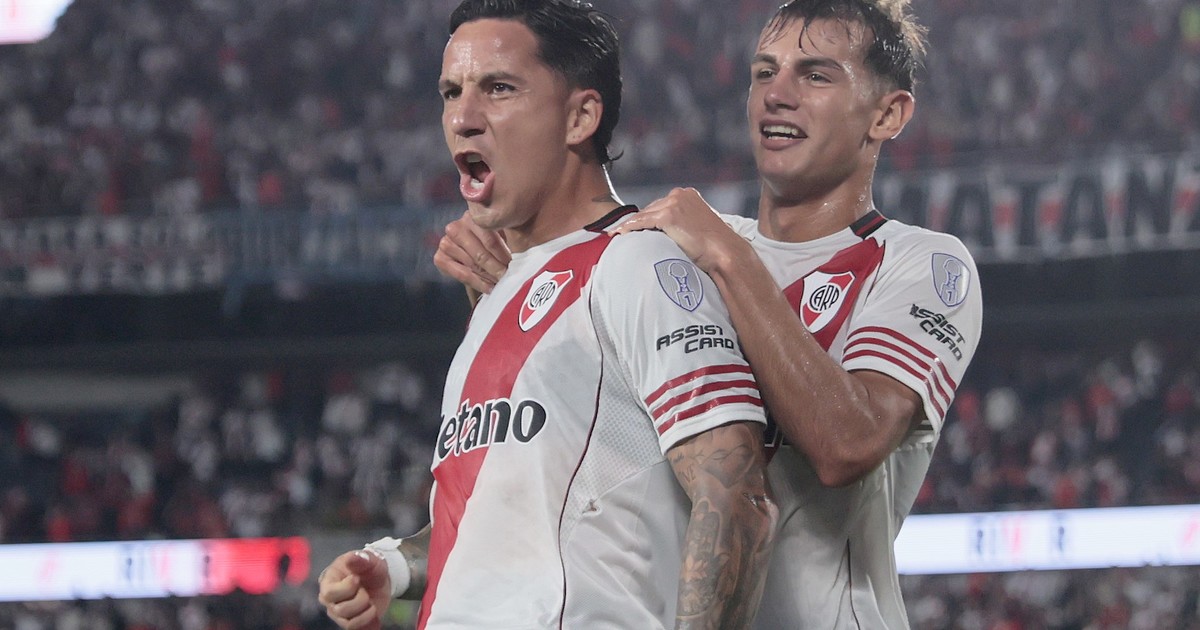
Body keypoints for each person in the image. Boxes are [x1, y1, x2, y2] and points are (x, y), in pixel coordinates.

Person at [437, 1, 983, 628]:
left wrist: (729, 256)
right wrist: (503, 273)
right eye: (764, 72)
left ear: (888, 114)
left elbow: (848, 443)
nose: (777, 95)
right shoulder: (671, 250)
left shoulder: (921, 264)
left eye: (815, 75)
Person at [317, 1, 777, 629]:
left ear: (580, 117)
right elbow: (496, 521)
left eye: (498, 88)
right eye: (451, 92)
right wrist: (394, 566)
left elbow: (737, 496)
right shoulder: (498, 291)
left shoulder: (635, 264)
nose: (463, 118)